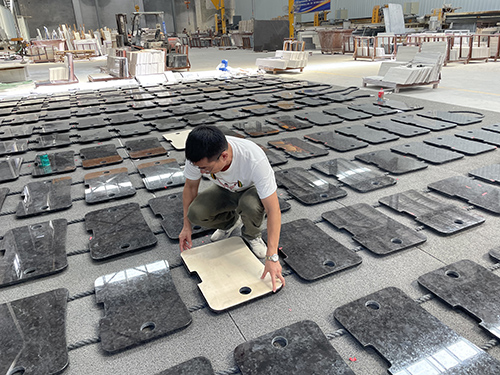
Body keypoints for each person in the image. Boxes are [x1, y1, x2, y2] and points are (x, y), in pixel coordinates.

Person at [179, 125, 285, 292]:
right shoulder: (198, 155)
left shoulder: (253, 159)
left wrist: (272, 256)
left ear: (224, 156)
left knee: (250, 206)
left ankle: (252, 235)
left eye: (206, 168)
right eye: (199, 168)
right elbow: (190, 188)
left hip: (250, 191)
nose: (201, 171)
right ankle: (230, 223)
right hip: (225, 189)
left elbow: (273, 210)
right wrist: (186, 226)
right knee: (195, 213)